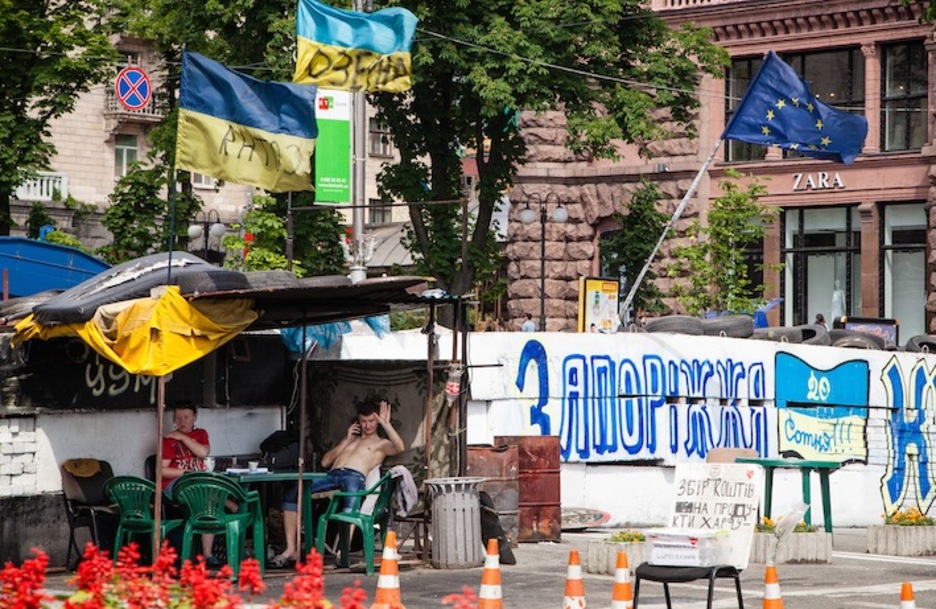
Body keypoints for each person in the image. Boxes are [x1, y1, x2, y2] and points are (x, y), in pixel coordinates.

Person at [271, 398, 405, 568]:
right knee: (293, 492)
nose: (367, 425)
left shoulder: (381, 444)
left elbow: (400, 447)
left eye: (371, 421)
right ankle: (291, 549)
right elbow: (325, 462)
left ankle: (343, 552)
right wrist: (345, 440)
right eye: (363, 421)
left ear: (377, 421)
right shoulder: (351, 440)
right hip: (332, 475)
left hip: (354, 476)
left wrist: (386, 424)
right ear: (358, 421)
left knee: (352, 502)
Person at [161, 400, 223, 568]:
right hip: (175, 484)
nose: (182, 421)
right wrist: (187, 473)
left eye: (186, 417)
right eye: (178, 418)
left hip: (199, 485)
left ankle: (207, 554)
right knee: (206, 498)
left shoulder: (201, 434)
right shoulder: (168, 440)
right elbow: (162, 471)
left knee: (209, 499)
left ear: (195, 417)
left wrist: (183, 437)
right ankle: (208, 554)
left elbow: (203, 452)